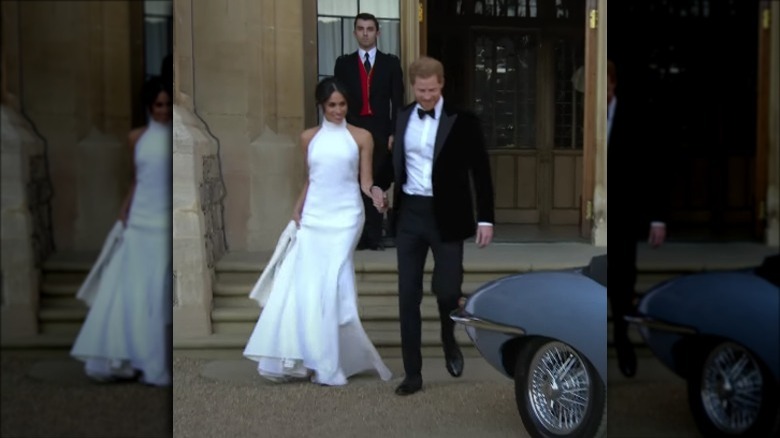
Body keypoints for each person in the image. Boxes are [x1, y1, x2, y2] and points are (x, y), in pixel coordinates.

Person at [243, 77, 392, 386]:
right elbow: (312, 178)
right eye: (331, 105)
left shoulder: (362, 136)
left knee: (335, 281)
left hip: (347, 216)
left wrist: (377, 194)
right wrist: (298, 207)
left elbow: (365, 180)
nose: (338, 110)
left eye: (342, 104)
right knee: (306, 286)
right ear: (321, 106)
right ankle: (305, 356)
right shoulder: (307, 137)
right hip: (314, 216)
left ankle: (329, 361)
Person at [372, 56, 495, 396]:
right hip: (410, 214)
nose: (426, 96)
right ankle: (413, 374)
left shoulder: (464, 120)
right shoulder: (402, 118)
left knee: (447, 291)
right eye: (420, 90)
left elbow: (481, 171)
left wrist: (486, 217)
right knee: (407, 297)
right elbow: (390, 165)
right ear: (413, 86)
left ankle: (447, 336)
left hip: (448, 217)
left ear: (441, 84)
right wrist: (378, 188)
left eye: (431, 89)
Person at [70, 76, 173, 386]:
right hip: (138, 221)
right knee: (128, 290)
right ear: (148, 106)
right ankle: (121, 358)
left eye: (168, 105)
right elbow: (137, 178)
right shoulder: (135, 138)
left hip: (163, 224)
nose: (164, 110)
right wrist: (124, 209)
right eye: (158, 105)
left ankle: (153, 362)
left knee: (154, 293)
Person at [607, 59, 668, 378]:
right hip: (591, 218)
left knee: (622, 283)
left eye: (604, 84)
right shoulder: (583, 115)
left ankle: (622, 341)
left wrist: (657, 218)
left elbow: (651, 167)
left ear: (613, 84)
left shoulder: (634, 117)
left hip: (624, 216)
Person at [334, 12, 404, 251]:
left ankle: (374, 235)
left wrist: (395, 132)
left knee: (375, 182)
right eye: (361, 29)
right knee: (354, 181)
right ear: (355, 33)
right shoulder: (343, 63)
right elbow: (337, 99)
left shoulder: (391, 63)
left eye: (370, 29)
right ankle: (357, 236)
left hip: (381, 130)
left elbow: (398, 100)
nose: (365, 33)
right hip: (352, 128)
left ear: (378, 33)